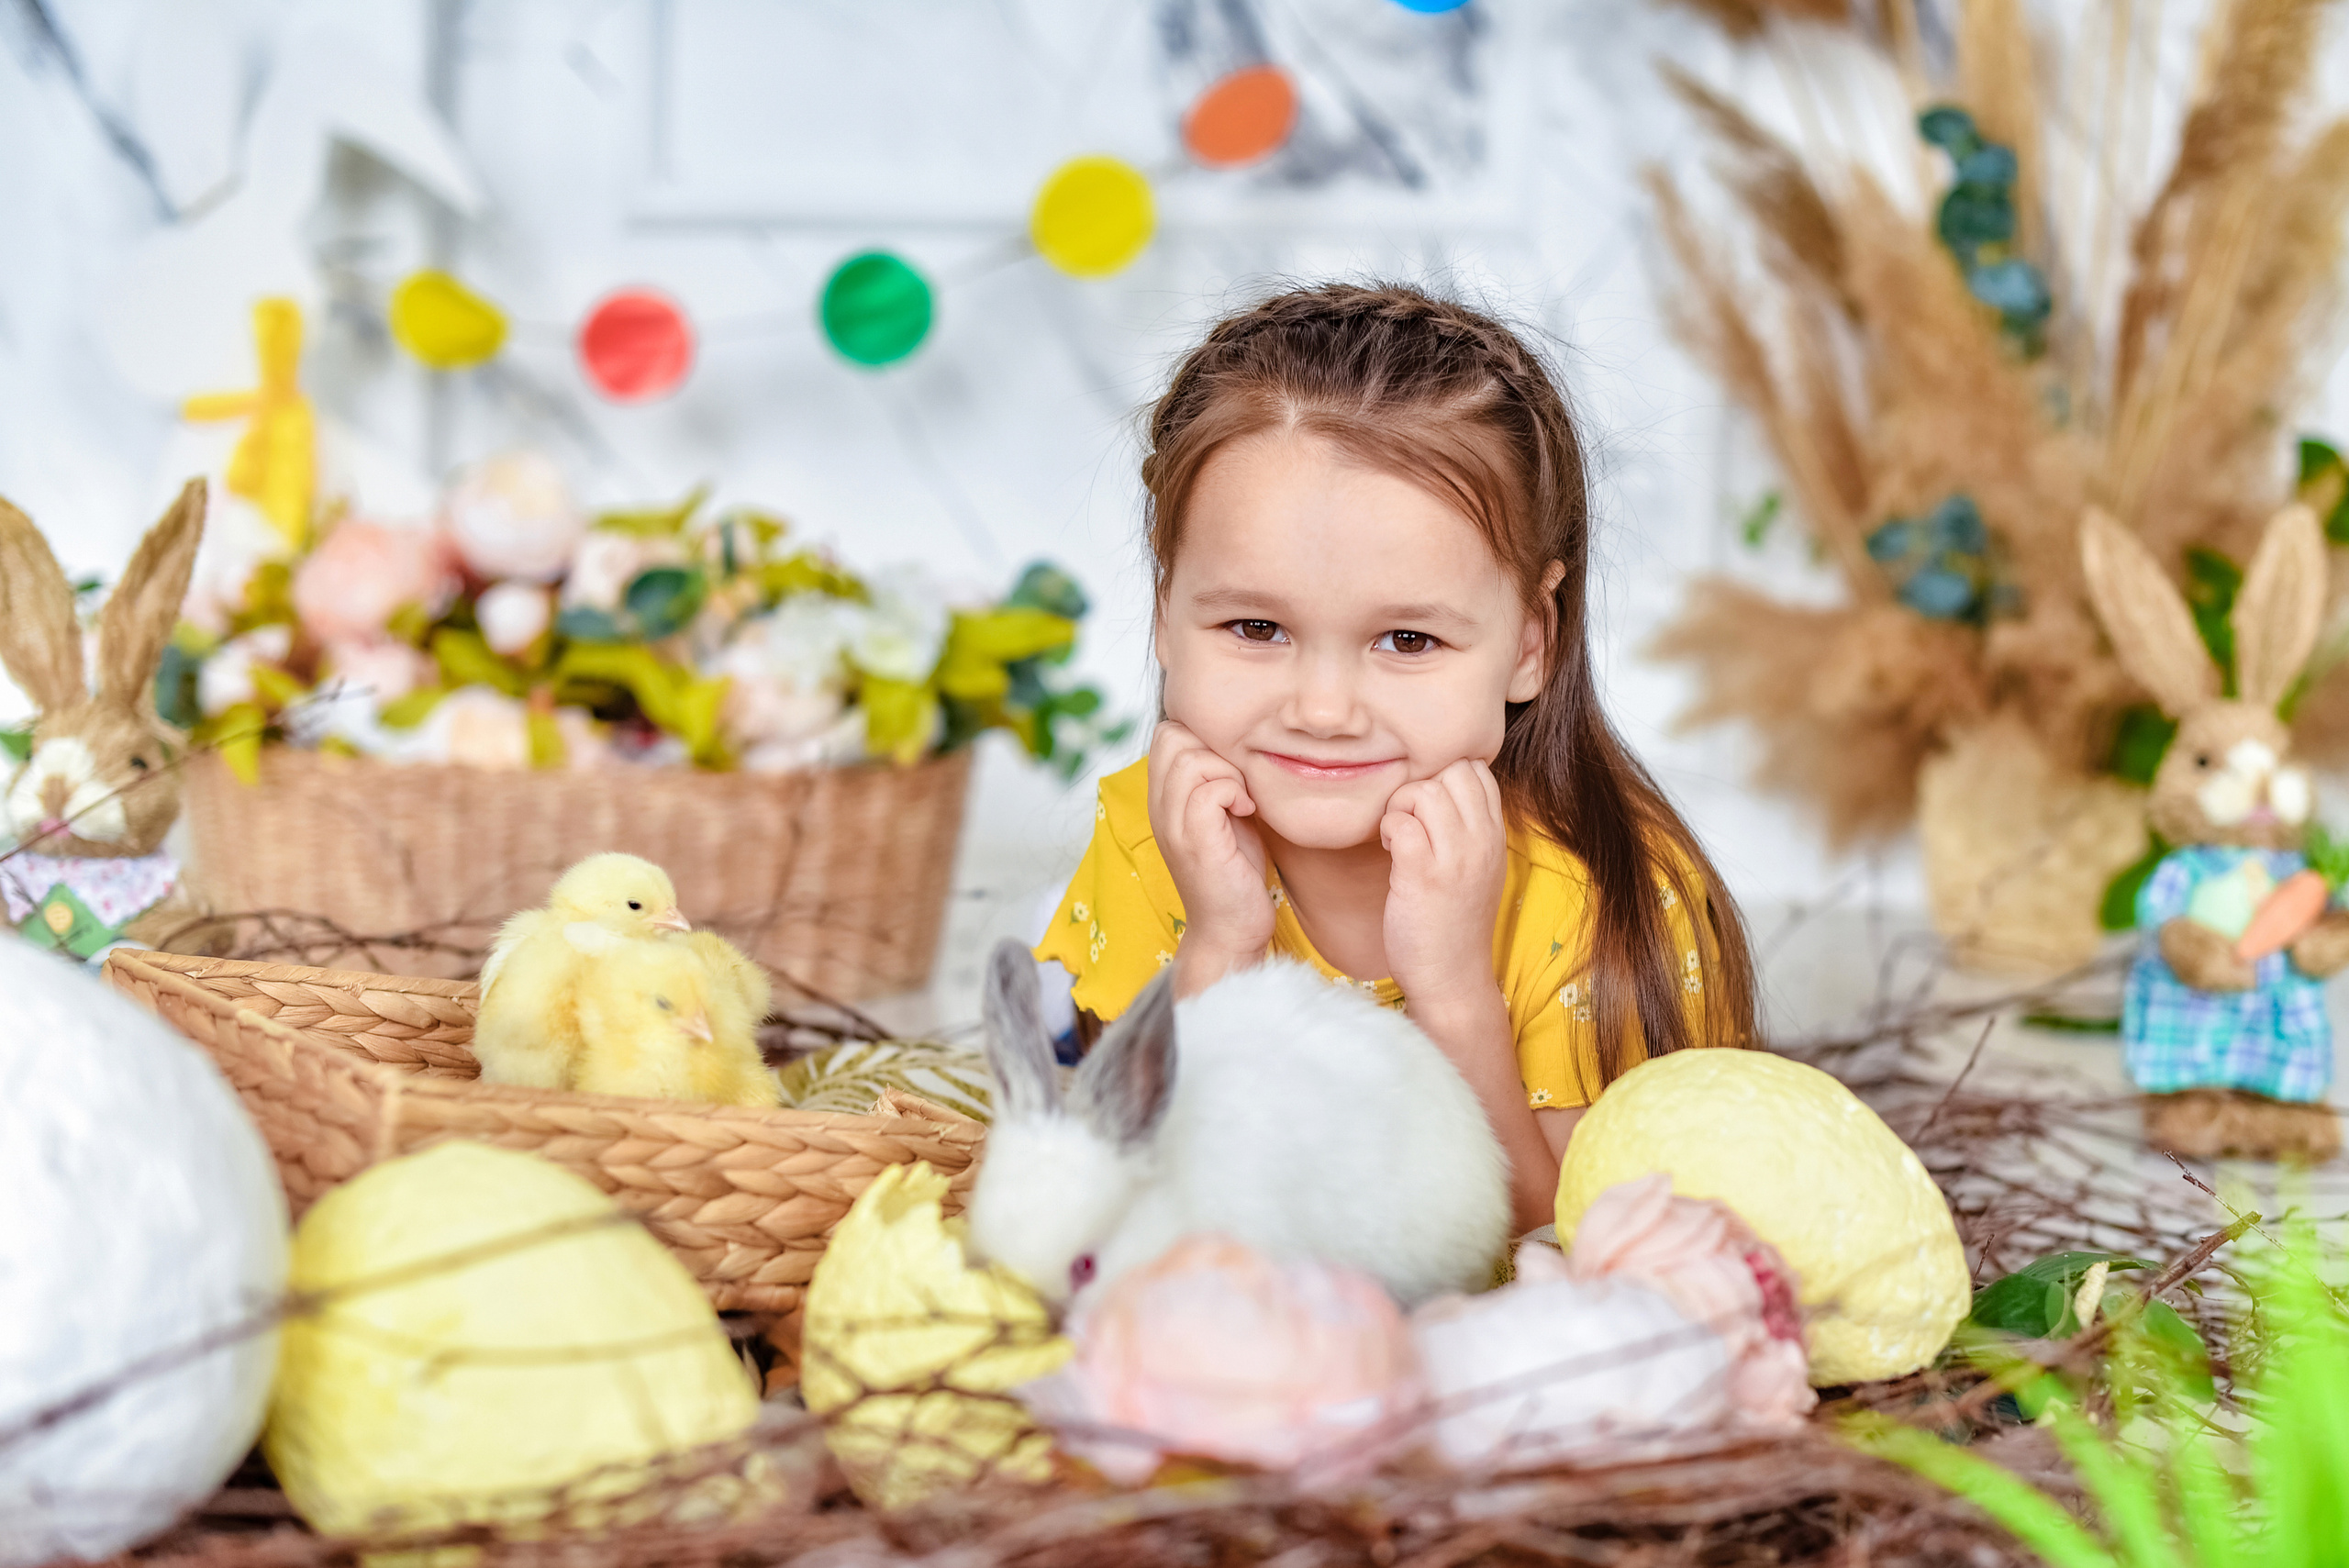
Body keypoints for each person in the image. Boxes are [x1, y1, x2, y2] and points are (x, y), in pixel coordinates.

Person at [1036, 283, 1757, 1232]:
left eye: (1407, 641)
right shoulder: (1154, 837)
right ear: (1167, 613)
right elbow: (1117, 1203)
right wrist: (1220, 947)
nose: (1324, 710)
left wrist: (1453, 988)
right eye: (1256, 626)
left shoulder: (1601, 901)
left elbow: (1564, 1248)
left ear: (1531, 641)